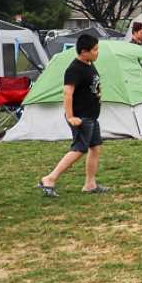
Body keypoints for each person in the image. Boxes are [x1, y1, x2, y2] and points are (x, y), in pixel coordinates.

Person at [38, 33, 108, 197]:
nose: (97, 52)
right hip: (81, 117)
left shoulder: (89, 64)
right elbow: (67, 93)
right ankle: (49, 178)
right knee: (79, 149)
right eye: (95, 49)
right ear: (84, 51)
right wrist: (70, 117)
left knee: (95, 148)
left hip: (91, 116)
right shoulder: (74, 69)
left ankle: (90, 184)